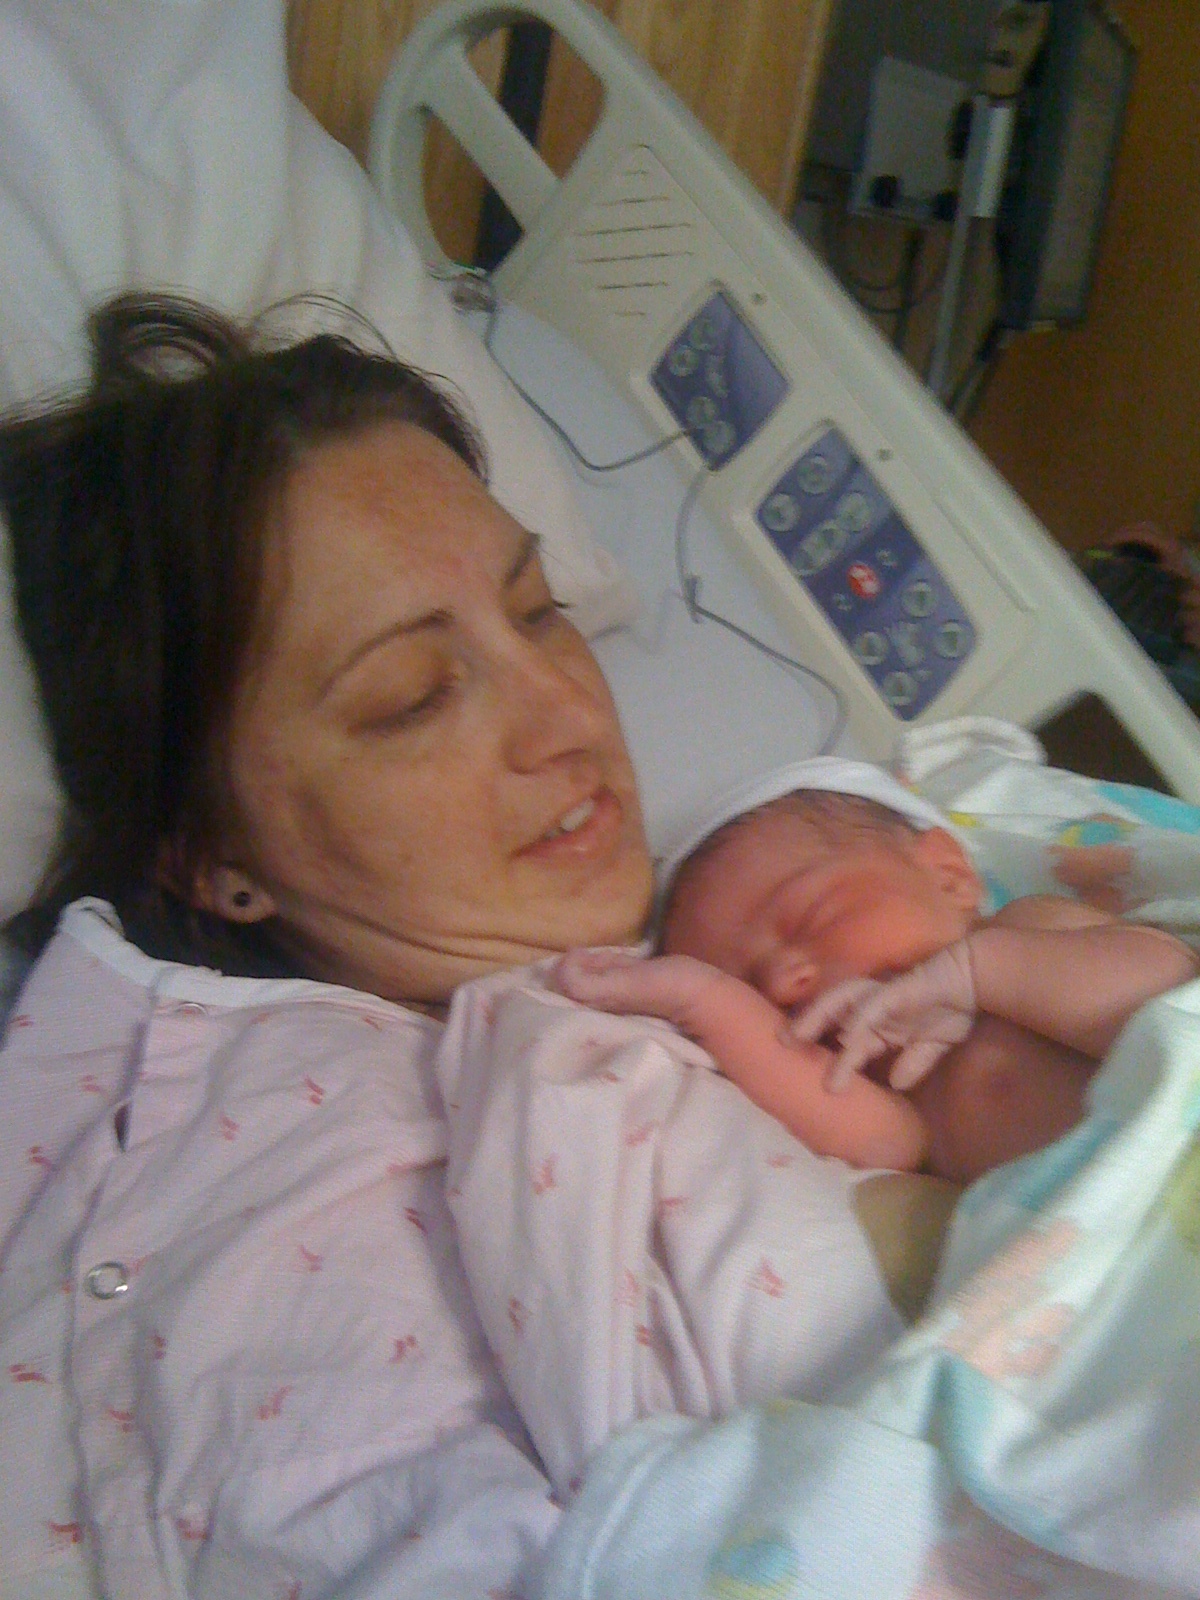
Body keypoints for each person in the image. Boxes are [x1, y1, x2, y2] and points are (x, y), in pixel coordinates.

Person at [0, 292, 655, 1599]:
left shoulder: (758, 901)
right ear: (210, 858)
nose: (565, 714)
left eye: (536, 609)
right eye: (409, 698)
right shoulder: (288, 1216)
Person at [554, 757, 1200, 1183]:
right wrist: (705, 998)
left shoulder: (1025, 929)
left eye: (811, 917)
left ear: (947, 875)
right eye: (753, 987)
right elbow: (880, 1148)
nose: (779, 983)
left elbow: (1166, 988)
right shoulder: (905, 1103)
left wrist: (977, 973)